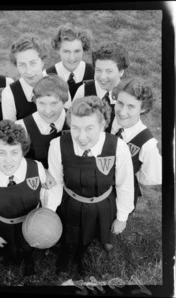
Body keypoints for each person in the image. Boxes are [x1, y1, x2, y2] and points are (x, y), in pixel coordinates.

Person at [46, 96, 134, 276]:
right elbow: (55, 182)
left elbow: (125, 184)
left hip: (102, 204)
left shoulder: (118, 148)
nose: (81, 136)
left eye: (89, 128)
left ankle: (82, 254)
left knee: (90, 235)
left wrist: (122, 217)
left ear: (103, 125)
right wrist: (49, 213)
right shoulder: (57, 146)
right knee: (70, 236)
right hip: (71, 202)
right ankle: (66, 258)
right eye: (75, 128)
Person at [0, 120, 48, 276]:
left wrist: (45, 217)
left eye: (14, 152)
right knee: (11, 249)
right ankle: (14, 260)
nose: (8, 160)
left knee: (29, 248)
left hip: (31, 221)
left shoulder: (36, 168)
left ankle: (29, 263)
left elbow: (45, 194)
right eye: (1, 153)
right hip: (4, 225)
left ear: (23, 151)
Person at [111, 77, 162, 209]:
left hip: (119, 198)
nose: (122, 112)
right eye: (120, 103)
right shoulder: (106, 119)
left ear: (143, 108)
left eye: (131, 107)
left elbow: (151, 177)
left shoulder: (147, 144)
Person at [2, 33, 68, 122]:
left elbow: (69, 120)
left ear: (42, 61)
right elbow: (10, 130)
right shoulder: (9, 94)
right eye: (22, 65)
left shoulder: (60, 85)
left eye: (33, 63)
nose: (29, 71)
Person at [73, 42, 130, 133]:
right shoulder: (84, 90)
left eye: (109, 71)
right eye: (98, 70)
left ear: (121, 72)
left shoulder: (128, 96)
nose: (102, 77)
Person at [16, 74, 70, 169]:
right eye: (41, 103)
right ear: (35, 101)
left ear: (64, 101)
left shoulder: (76, 121)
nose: (47, 111)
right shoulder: (21, 127)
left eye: (54, 103)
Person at [43, 23, 94, 99]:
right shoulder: (47, 76)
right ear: (58, 50)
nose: (72, 58)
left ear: (83, 49)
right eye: (66, 51)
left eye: (77, 51)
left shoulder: (94, 73)